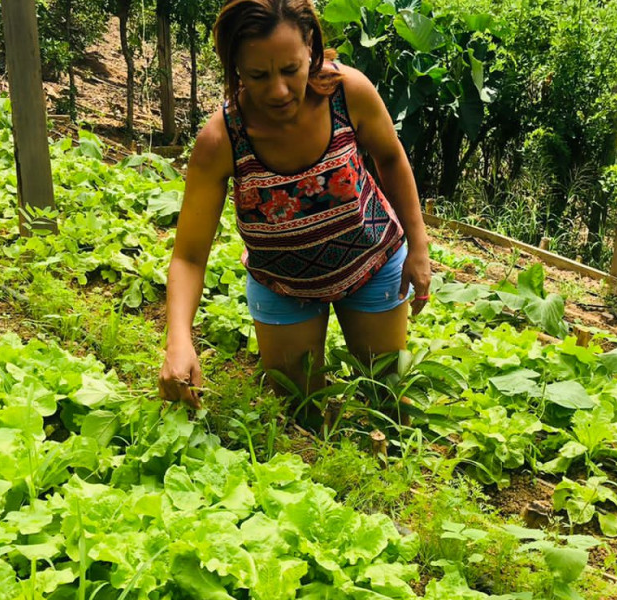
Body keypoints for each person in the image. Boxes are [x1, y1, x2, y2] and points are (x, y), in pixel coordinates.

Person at [158, 0, 432, 412]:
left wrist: (419, 247)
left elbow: (391, 158)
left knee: (385, 395)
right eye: (258, 75)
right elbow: (190, 255)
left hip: (372, 263)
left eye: (290, 70)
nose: (279, 90)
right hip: (283, 284)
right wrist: (179, 339)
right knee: (298, 412)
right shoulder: (221, 141)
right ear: (235, 68)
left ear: (310, 47)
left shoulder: (348, 92)